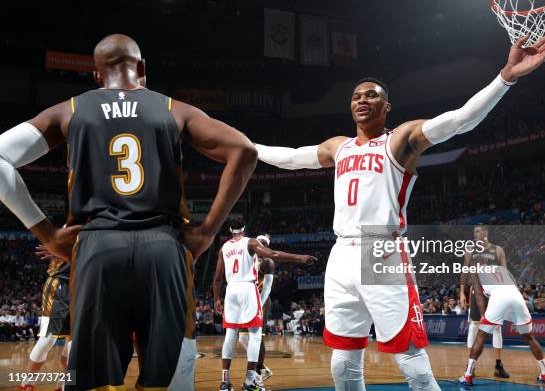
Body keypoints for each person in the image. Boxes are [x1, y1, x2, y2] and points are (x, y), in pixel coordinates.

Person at [254, 32, 545, 390]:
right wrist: (247, 147)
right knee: (343, 358)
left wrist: (505, 77)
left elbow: (460, 120)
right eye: (356, 96)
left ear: (387, 107)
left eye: (371, 95)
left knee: (410, 355)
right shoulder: (338, 146)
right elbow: (290, 158)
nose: (362, 100)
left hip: (380, 249)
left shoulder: (400, 139)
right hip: (340, 254)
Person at [0, 33, 257, 390]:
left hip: (96, 248)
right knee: (169, 380)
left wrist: (48, 233)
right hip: (164, 247)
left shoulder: (69, 109)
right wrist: (207, 232)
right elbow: (243, 150)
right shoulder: (174, 108)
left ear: (96, 76)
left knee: (93, 380)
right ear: (143, 68)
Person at [213, 221, 316, 391]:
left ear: (230, 231)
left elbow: (217, 278)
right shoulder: (250, 242)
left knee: (230, 335)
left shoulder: (224, 248)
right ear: (244, 229)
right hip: (247, 288)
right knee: (254, 336)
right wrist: (299, 257)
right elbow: (273, 253)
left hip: (230, 289)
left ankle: (225, 381)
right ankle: (250, 381)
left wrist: (217, 299)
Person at [458, 264, 545, 385]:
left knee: (481, 335)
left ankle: (468, 375)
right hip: (516, 297)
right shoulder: (502, 269)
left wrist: (483, 315)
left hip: (499, 298)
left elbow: (478, 294)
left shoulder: (476, 272)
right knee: (529, 337)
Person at [459, 225, 510, 379]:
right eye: (474, 231)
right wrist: (461, 292)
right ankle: (470, 365)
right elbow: (464, 270)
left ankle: (498, 365)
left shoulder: (498, 250)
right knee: (474, 325)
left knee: (496, 328)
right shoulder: (470, 251)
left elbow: (504, 273)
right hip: (476, 290)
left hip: (494, 292)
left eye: (478, 231)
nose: (476, 233)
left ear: (486, 233)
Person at [18, 255, 71, 391]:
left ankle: (63, 385)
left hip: (81, 285)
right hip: (59, 284)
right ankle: (27, 383)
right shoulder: (69, 234)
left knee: (73, 343)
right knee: (47, 340)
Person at [238, 234, 275, 382]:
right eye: (260, 243)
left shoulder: (266, 262)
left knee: (257, 337)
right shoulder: (251, 258)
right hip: (249, 299)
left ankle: (257, 371)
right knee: (243, 338)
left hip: (262, 300)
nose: (261, 245)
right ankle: (261, 368)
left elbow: (267, 288)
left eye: (264, 243)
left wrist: (259, 304)